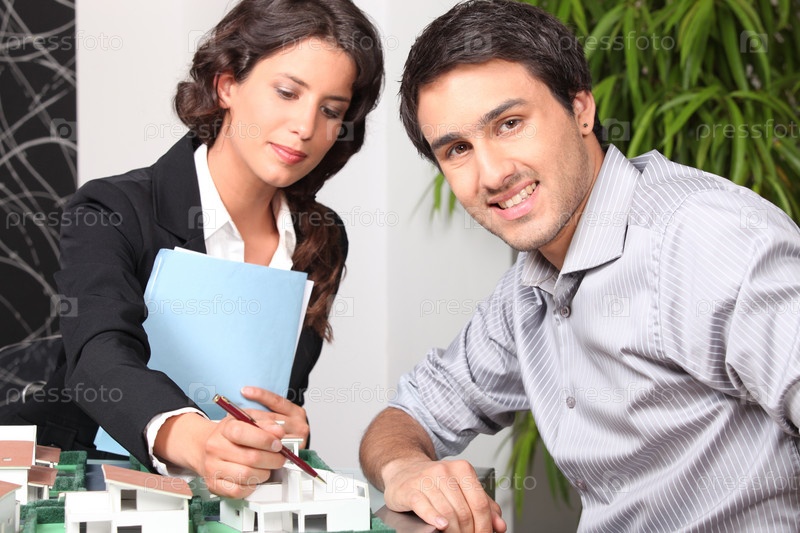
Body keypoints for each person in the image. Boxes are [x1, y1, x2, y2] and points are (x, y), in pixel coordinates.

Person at [359, 0, 800, 531]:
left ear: (581, 108)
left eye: (509, 123)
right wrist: (405, 468)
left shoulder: (704, 238)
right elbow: (408, 414)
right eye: (457, 149)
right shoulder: (528, 289)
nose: (492, 173)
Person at [2, 0, 383, 498]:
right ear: (226, 85)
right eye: (287, 92)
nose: (306, 126)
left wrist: (284, 432)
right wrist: (197, 441)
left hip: (222, 497)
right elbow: (97, 355)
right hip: (74, 477)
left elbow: (275, 393)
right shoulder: (111, 209)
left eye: (330, 110)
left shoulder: (322, 235)